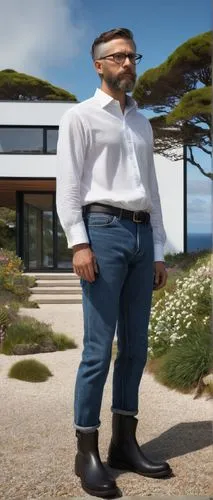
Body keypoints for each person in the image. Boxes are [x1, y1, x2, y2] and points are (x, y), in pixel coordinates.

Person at [56, 27, 172, 498]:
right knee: (98, 350)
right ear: (98, 65)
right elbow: (69, 186)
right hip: (101, 232)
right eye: (118, 56)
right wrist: (79, 244)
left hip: (143, 234)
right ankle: (87, 451)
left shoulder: (142, 122)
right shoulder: (79, 117)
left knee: (137, 349)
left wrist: (159, 249)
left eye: (132, 56)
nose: (128, 63)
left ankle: (125, 442)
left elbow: (153, 190)